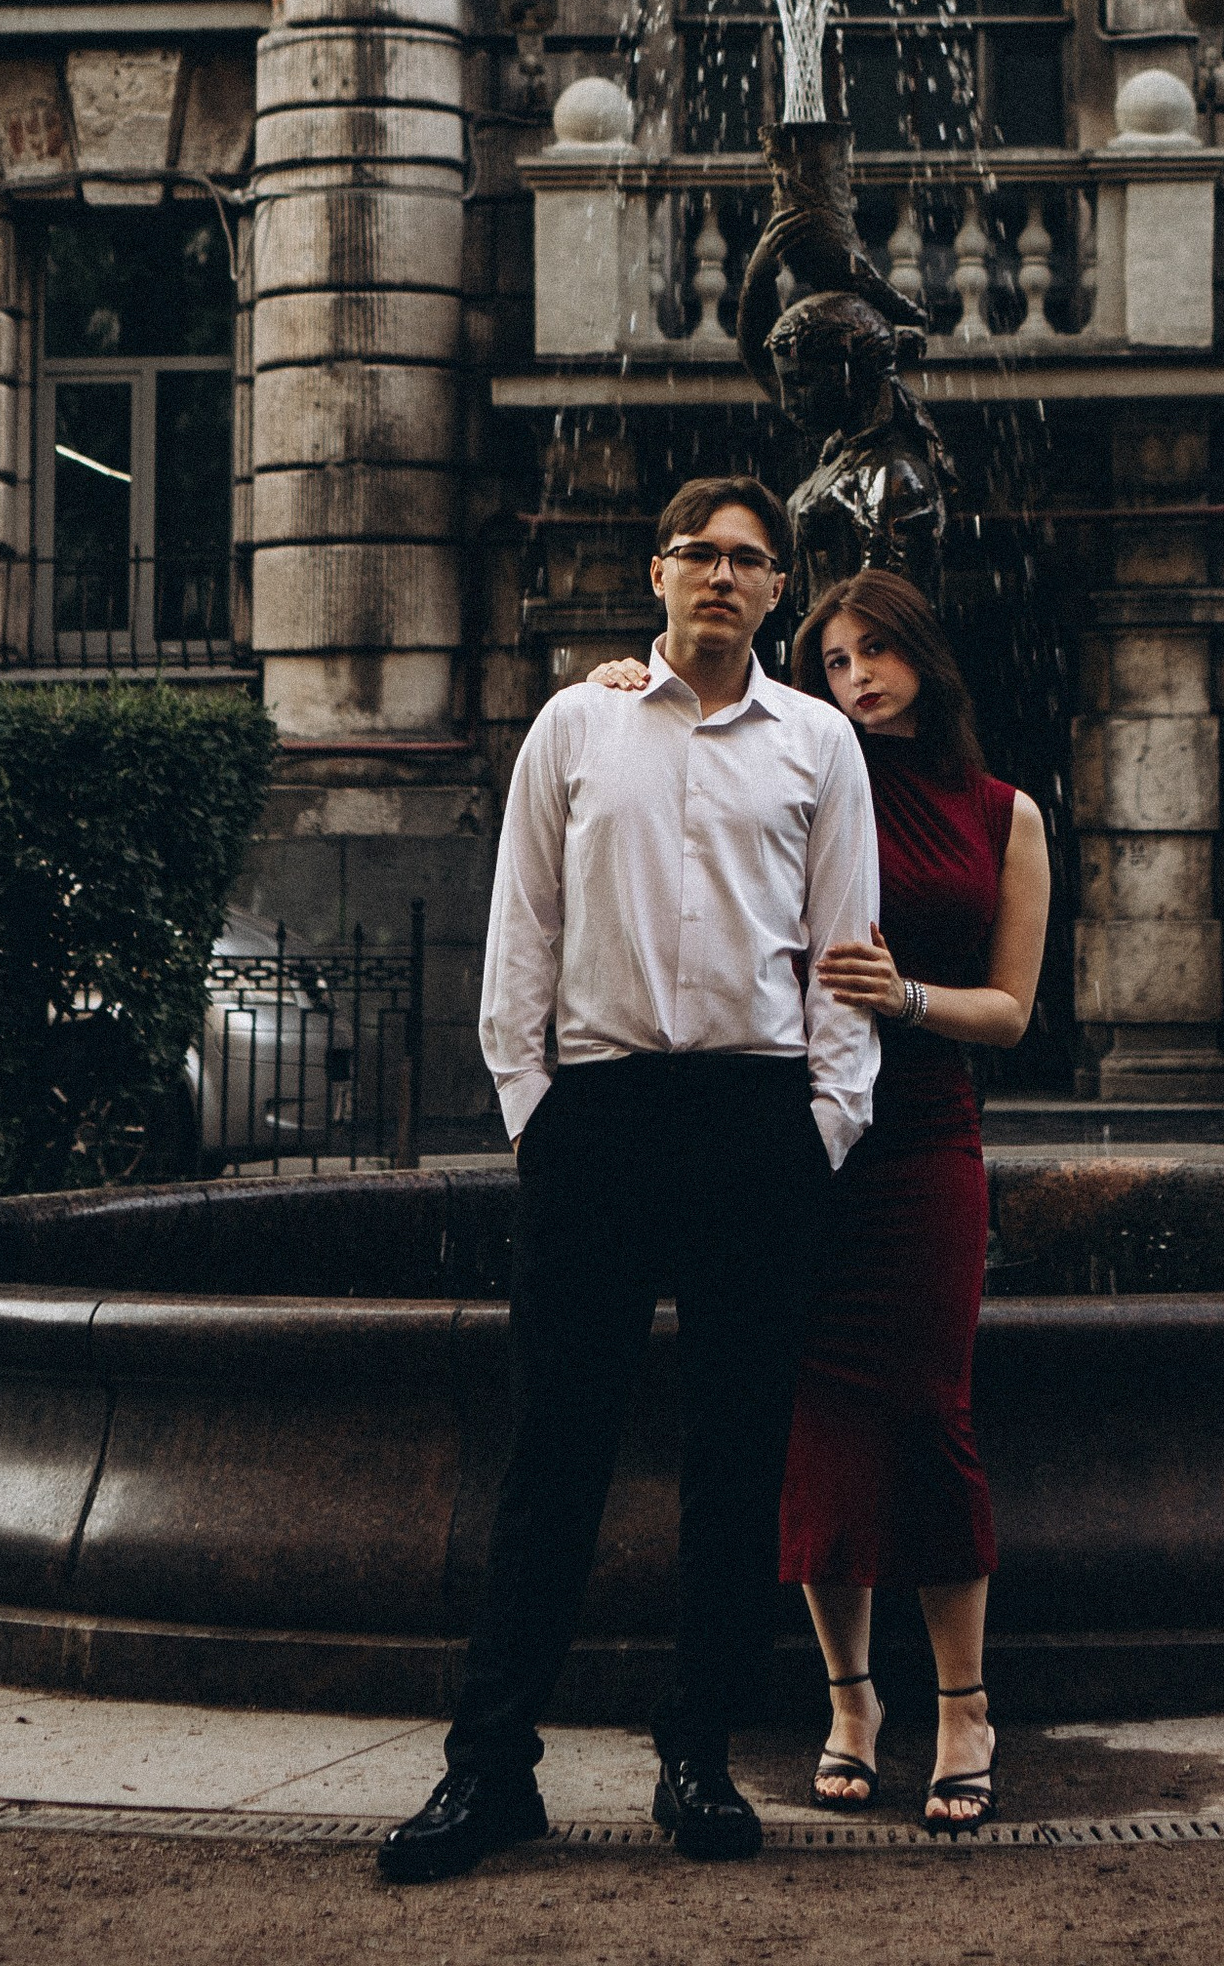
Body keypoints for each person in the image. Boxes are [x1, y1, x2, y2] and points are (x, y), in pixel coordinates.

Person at [374, 474, 879, 1887]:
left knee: (735, 1467)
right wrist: (536, 1108)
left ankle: (699, 1756)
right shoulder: (576, 722)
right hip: (598, 1117)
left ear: (780, 589)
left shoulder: (819, 747)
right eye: (696, 554)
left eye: (748, 560)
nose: (720, 577)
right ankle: (490, 1773)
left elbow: (847, 945)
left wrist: (826, 1122)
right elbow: (519, 926)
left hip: (754, 1122)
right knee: (552, 1459)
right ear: (655, 575)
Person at [588, 566, 1048, 1834]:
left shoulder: (1004, 813)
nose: (858, 680)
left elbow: (1010, 1012)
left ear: (923, 656)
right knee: (814, 1423)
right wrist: (625, 683)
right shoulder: (795, 767)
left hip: (923, 1140)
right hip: (792, 1133)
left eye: (876, 654)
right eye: (836, 662)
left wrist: (902, 998)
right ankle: (853, 1706)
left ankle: (964, 1705)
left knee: (931, 1413)